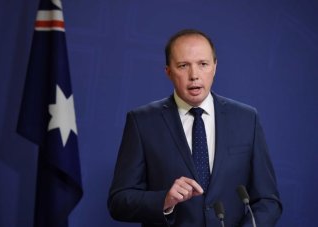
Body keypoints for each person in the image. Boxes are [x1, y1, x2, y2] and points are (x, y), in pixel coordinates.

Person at [108, 29, 282, 227]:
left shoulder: (246, 119)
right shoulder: (142, 122)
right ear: (168, 71)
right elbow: (118, 202)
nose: (194, 75)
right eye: (183, 66)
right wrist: (164, 200)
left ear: (215, 67)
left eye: (203, 64)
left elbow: (268, 200)